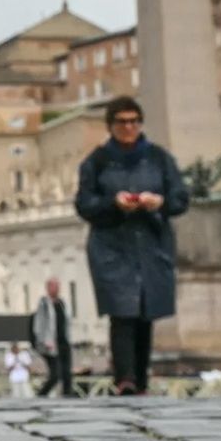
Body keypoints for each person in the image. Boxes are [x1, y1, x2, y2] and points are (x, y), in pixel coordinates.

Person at [74, 96, 188, 397]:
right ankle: (125, 377)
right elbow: (84, 205)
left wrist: (159, 203)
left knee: (146, 311)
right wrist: (114, 204)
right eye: (122, 122)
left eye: (134, 121)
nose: (129, 127)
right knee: (122, 309)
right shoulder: (96, 162)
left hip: (151, 242)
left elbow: (180, 198)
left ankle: (140, 379)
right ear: (111, 125)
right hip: (112, 245)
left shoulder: (159, 158)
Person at [32, 278, 77, 397]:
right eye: (54, 286)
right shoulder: (44, 303)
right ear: (48, 288)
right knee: (55, 374)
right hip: (51, 344)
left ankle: (68, 395)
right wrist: (44, 340)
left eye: (58, 285)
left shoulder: (63, 303)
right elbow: (39, 323)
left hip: (64, 341)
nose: (57, 288)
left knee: (67, 373)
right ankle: (41, 395)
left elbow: (67, 322)